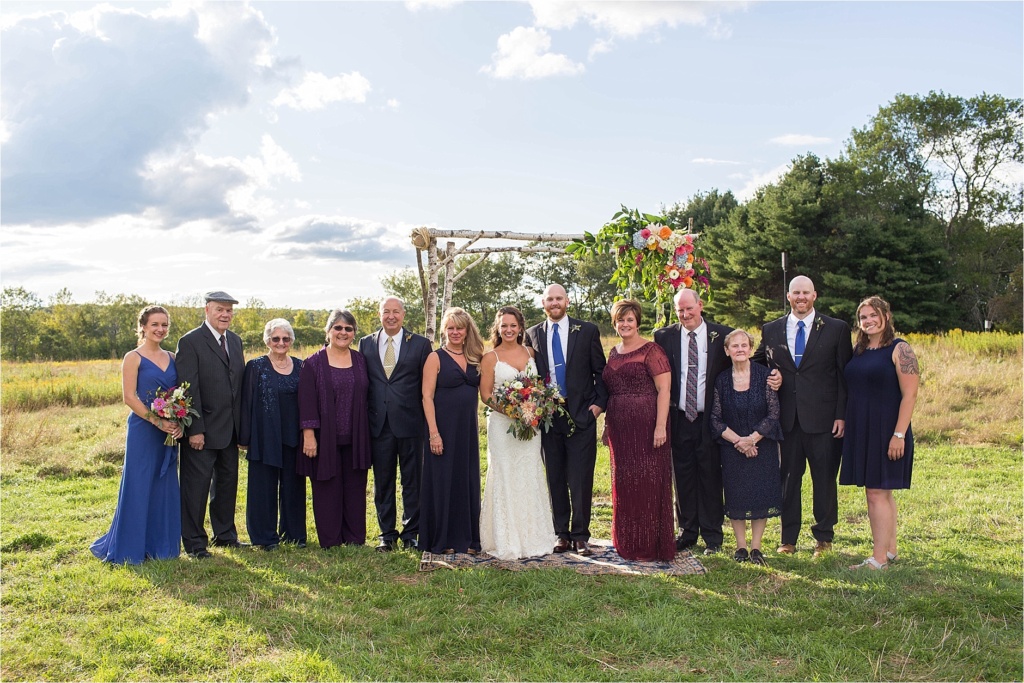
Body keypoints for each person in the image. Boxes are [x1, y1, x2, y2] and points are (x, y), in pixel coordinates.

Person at [752, 275, 853, 558]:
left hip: (824, 420)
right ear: (788, 296)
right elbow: (758, 365)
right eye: (796, 293)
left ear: (814, 296)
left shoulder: (836, 329)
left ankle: (823, 537)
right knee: (788, 480)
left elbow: (844, 377)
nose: (801, 297)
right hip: (786, 421)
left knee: (823, 479)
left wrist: (841, 415)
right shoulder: (771, 329)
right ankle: (788, 540)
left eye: (806, 293)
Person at [91, 305, 182, 564]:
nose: (160, 329)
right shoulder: (133, 357)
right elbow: (129, 397)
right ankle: (131, 547)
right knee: (139, 483)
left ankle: (162, 547)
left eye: (164, 325)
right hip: (144, 429)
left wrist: (176, 422)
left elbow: (180, 395)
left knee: (164, 483)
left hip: (168, 430)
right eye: (155, 324)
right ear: (143, 326)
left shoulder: (173, 357)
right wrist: (157, 421)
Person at [524, 284, 608, 556]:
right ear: (543, 303)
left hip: (582, 415)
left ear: (567, 301)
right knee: (555, 476)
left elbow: (601, 373)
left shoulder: (587, 331)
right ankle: (561, 533)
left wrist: (596, 407)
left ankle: (581, 535)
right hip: (549, 417)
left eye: (559, 298)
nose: (554, 303)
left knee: (580, 476)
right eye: (550, 299)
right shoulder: (532, 334)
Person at [654, 288, 734, 556]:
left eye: (689, 308)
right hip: (678, 417)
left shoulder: (723, 335)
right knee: (683, 475)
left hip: (710, 417)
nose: (685, 314)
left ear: (700, 305)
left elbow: (747, 358)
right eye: (680, 310)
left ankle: (713, 535)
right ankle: (687, 531)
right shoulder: (663, 337)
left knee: (710, 474)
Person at [840, 296, 919, 570]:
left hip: (887, 430)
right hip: (861, 428)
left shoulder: (901, 349)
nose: (868, 321)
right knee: (879, 492)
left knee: (877, 493)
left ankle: (879, 559)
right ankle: (891, 550)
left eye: (873, 315)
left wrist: (899, 434)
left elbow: (909, 396)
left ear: (886, 316)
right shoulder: (859, 350)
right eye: (863, 317)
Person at [478, 305, 556, 560]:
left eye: (513, 325)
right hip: (503, 426)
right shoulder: (491, 358)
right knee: (505, 474)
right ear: (497, 329)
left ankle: (533, 536)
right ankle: (506, 538)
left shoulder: (531, 353)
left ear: (520, 327)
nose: (508, 330)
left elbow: (540, 387)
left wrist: (534, 409)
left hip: (531, 427)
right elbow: (486, 395)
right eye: (504, 326)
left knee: (529, 473)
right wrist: (512, 411)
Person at [602, 300, 675, 562]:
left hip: (647, 424)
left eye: (630, 319)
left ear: (637, 322)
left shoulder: (651, 350)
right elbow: (610, 391)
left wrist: (659, 426)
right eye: (620, 320)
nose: (625, 324)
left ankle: (649, 545)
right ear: (615, 323)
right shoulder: (613, 352)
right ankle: (627, 542)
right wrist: (606, 426)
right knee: (625, 483)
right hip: (620, 428)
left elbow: (664, 390)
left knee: (648, 481)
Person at [358, 297, 432, 552]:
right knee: (383, 481)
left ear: (403, 315)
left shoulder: (421, 344)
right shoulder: (365, 343)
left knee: (413, 481)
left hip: (411, 423)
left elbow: (428, 387)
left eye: (396, 312)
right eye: (386, 312)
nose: (391, 316)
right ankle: (386, 534)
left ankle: (411, 533)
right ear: (379, 314)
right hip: (378, 424)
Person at [176, 291, 245, 559]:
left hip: (230, 430)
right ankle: (194, 543)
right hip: (201, 432)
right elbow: (188, 387)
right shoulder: (190, 341)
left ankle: (225, 535)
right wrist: (195, 429)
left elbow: (236, 386)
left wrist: (243, 430)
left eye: (229, 310)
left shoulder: (236, 341)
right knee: (196, 489)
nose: (225, 314)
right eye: (220, 309)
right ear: (207, 310)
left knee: (227, 485)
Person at [298, 310, 371, 549]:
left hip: (356, 436)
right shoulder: (313, 363)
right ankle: (330, 540)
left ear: (353, 333)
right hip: (324, 438)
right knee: (327, 489)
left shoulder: (360, 360)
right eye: (338, 328)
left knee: (355, 488)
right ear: (328, 331)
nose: (343, 332)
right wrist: (309, 435)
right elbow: (306, 401)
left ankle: (354, 538)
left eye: (348, 329)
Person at [710, 330, 784, 566]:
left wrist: (752, 439)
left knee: (760, 495)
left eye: (744, 345)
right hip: (732, 447)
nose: (740, 349)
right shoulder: (721, 380)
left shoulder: (766, 376)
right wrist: (739, 442)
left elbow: (774, 413)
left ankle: (756, 548)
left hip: (763, 445)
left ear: (751, 349)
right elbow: (715, 418)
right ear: (726, 350)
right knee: (736, 495)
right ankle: (740, 546)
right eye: (735, 346)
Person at [420, 307, 484, 555]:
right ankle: (442, 539)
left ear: (467, 331)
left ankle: (467, 539)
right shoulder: (435, 358)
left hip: (467, 431)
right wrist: (434, 433)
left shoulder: (476, 357)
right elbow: (426, 397)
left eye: (459, 328)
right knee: (443, 482)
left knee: (466, 481)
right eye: (450, 328)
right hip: (442, 429)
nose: (455, 332)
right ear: (444, 330)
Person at [239, 318, 306, 551]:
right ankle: (265, 537)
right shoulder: (255, 366)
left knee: (293, 486)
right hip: (264, 436)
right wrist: (244, 437)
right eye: (275, 338)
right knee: (263, 486)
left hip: (293, 436)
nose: (280, 342)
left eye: (285, 339)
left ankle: (294, 534)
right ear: (267, 340)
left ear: (291, 341)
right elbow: (246, 402)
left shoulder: (301, 366)